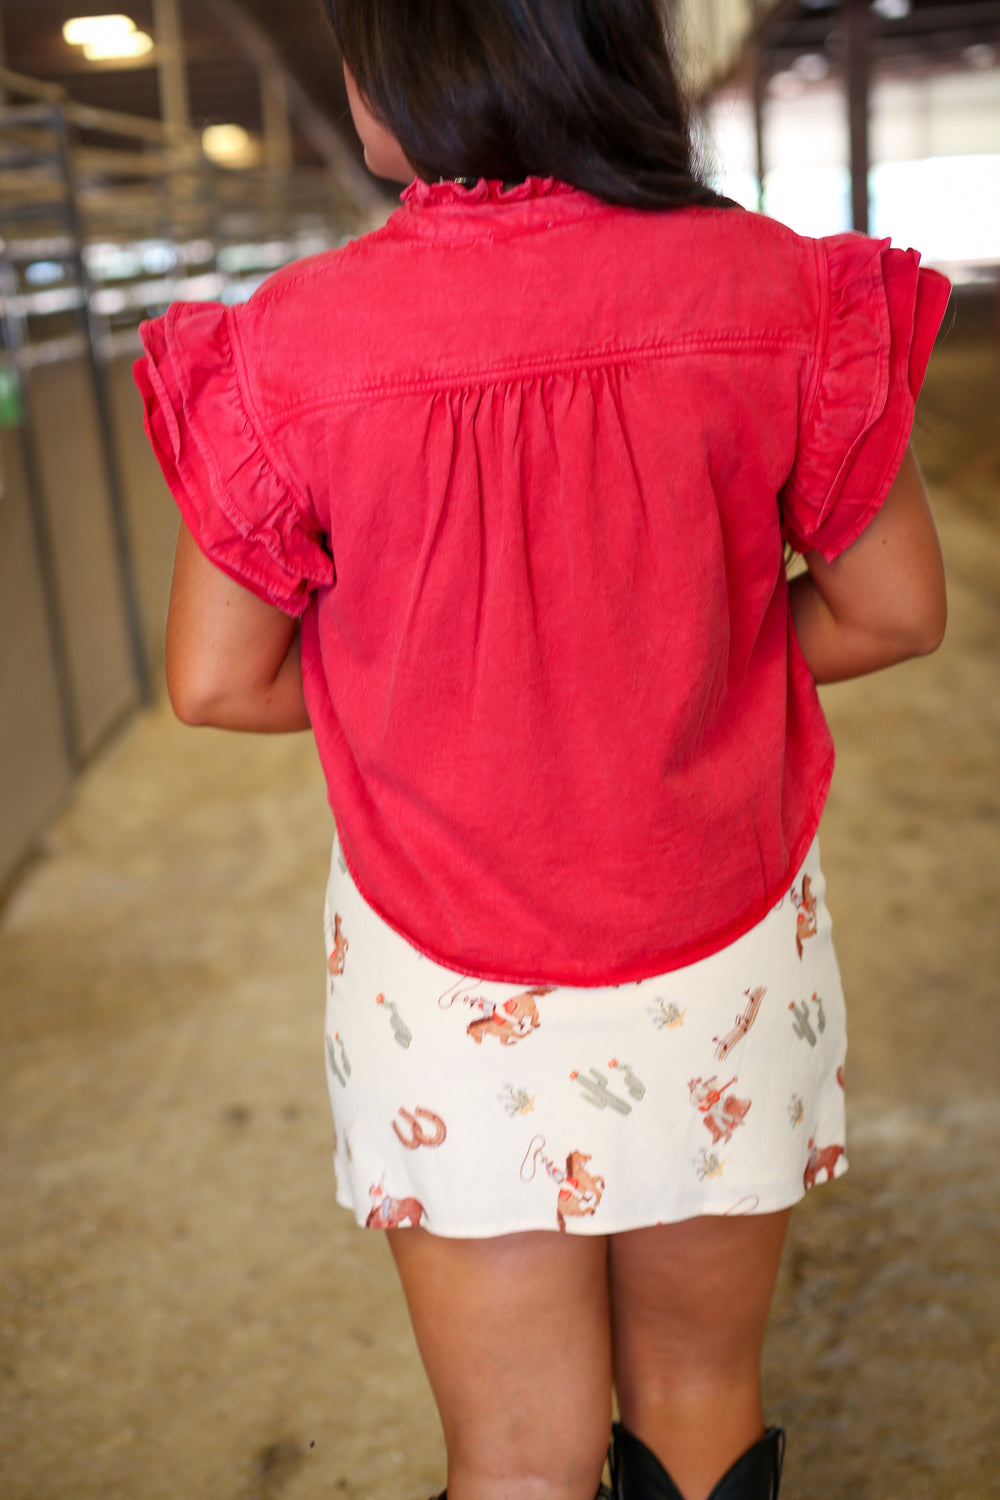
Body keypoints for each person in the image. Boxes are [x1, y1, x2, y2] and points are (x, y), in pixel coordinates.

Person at [134, 3, 950, 1497]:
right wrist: (695, 671)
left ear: (417, 71)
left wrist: (442, 694)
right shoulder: (778, 293)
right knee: (700, 1396)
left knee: (518, 1457)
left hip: (441, 975)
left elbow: (210, 681)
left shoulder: (294, 344)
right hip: (722, 940)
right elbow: (897, 613)